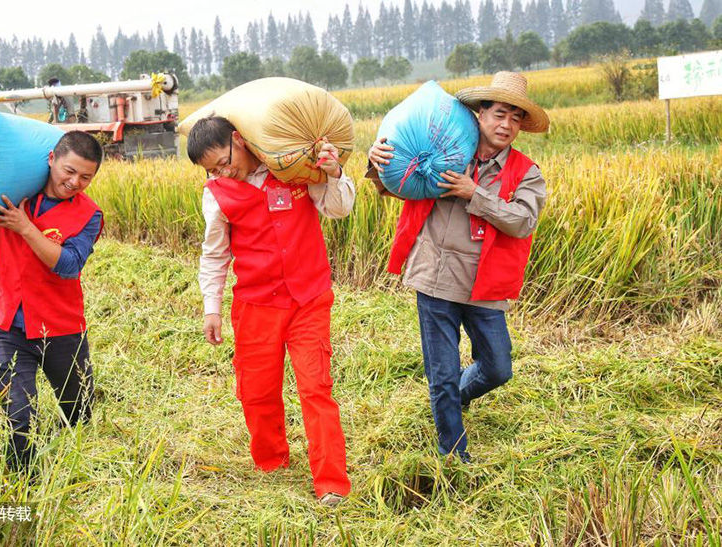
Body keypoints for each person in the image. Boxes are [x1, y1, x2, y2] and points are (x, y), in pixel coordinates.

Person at [368, 72, 550, 462]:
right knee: (443, 373)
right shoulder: (444, 147)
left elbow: (523, 221)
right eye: (500, 114)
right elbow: (394, 184)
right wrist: (377, 162)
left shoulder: (525, 172)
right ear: (480, 114)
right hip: (435, 276)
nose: (506, 125)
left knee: (498, 368)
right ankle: (453, 455)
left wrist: (475, 194)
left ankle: (454, 399)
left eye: (516, 119)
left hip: (486, 283)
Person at [188, 116, 355, 506]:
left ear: (238, 140)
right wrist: (211, 307)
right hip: (255, 305)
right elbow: (214, 254)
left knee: (316, 388)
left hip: (308, 300)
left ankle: (331, 483)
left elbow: (338, 208)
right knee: (257, 392)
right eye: (212, 170)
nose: (222, 172)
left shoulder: (294, 168)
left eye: (223, 162)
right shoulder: (217, 194)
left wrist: (334, 173)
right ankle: (271, 462)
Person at [0, 126, 105, 472]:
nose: (74, 182)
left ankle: (66, 467)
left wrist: (25, 227)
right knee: (20, 416)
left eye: (85, 177)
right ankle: (24, 487)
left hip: (61, 327)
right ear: (51, 160)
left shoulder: (90, 215)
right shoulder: (17, 195)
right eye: (68, 171)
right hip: (6, 322)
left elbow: (69, 265)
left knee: (79, 412)